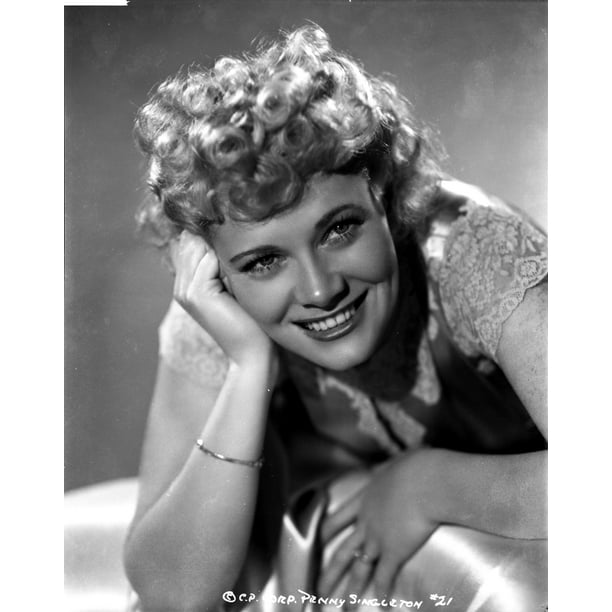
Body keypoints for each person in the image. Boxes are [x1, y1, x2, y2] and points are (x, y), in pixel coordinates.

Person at [123, 25, 547, 612]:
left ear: (379, 190)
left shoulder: (475, 248)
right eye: (265, 261)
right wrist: (250, 366)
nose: (321, 290)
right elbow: (170, 596)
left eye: (339, 229)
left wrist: (433, 485)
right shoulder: (214, 309)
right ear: (212, 263)